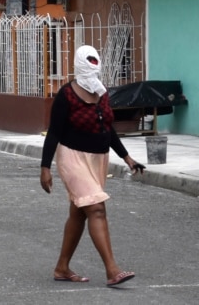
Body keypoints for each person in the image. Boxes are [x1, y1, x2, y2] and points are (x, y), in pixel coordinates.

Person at [39, 45, 145, 287]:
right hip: (72, 157)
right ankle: (112, 270)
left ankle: (62, 267)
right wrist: (45, 167)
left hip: (98, 159)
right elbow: (53, 132)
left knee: (79, 213)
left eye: (94, 60)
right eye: (88, 60)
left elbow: (108, 128)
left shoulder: (101, 92)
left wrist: (127, 157)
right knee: (96, 208)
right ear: (79, 64)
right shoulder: (66, 95)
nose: (92, 65)